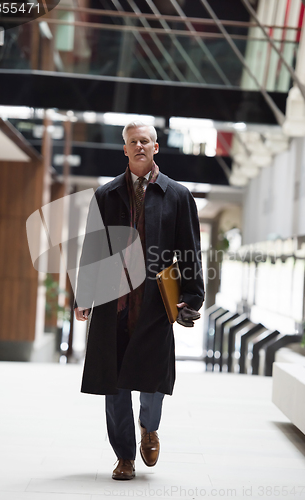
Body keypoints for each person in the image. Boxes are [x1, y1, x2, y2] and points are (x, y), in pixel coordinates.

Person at [74, 121, 204, 480]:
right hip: (113, 302)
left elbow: (189, 250)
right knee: (113, 381)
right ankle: (124, 457)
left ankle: (149, 427)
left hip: (154, 303)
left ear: (156, 147)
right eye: (133, 142)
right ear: (126, 149)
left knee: (151, 377)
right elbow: (93, 250)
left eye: (145, 140)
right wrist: (85, 295)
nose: (140, 146)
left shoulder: (177, 195)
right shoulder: (106, 194)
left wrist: (192, 295)